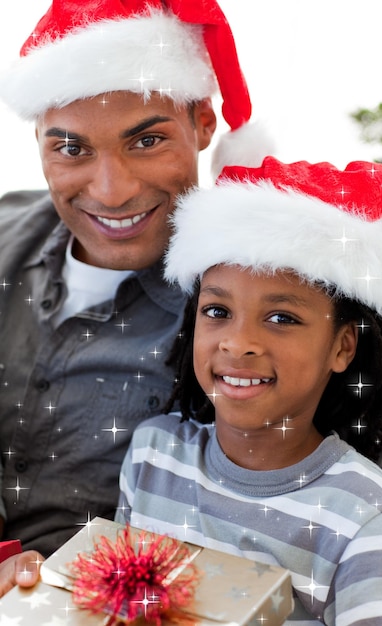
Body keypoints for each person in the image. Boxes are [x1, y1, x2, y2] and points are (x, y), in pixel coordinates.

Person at [0, 0, 273, 591]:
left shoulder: (254, 309)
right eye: (71, 148)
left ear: (204, 122)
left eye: (146, 141)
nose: (112, 190)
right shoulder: (5, 233)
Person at [117, 157, 382, 624]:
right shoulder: (151, 456)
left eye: (282, 318)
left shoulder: (369, 521)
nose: (238, 343)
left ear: (342, 347)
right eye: (217, 311)